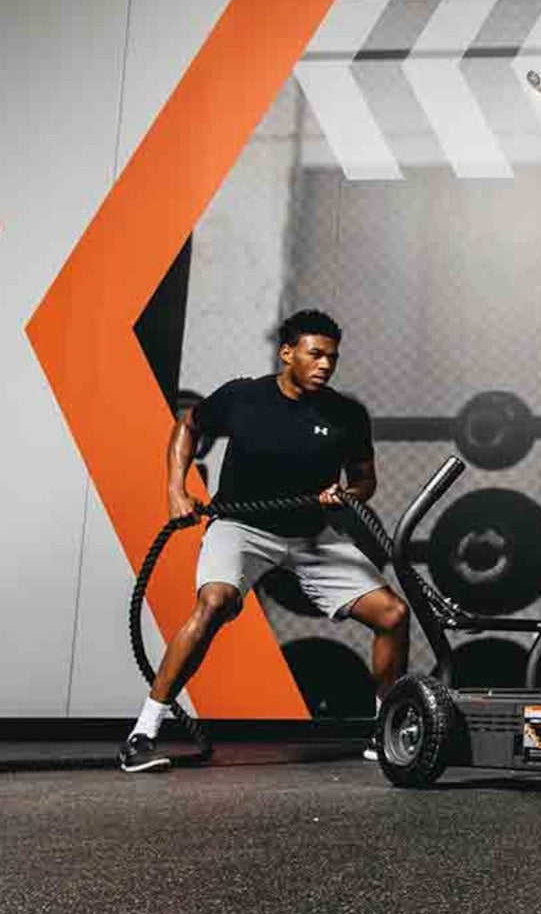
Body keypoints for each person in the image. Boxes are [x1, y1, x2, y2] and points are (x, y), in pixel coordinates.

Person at [119, 310, 410, 772]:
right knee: (213, 603)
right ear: (287, 353)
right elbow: (188, 425)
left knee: (392, 614)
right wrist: (176, 490)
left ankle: (386, 731)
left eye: (332, 358)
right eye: (316, 354)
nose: (326, 365)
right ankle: (143, 734)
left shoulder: (346, 414)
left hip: (311, 535)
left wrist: (347, 495)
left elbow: (364, 479)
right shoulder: (244, 397)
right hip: (241, 527)